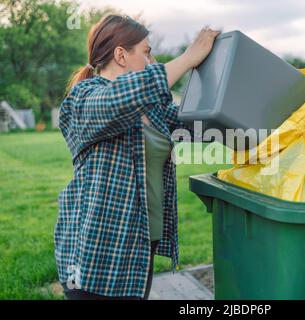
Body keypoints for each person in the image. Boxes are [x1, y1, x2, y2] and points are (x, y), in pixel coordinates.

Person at [55, 13, 220, 300]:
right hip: (99, 249)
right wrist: (188, 57)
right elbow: (120, 99)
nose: (152, 61)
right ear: (121, 55)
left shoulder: (152, 109)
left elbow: (197, 124)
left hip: (142, 241)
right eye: (147, 52)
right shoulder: (84, 99)